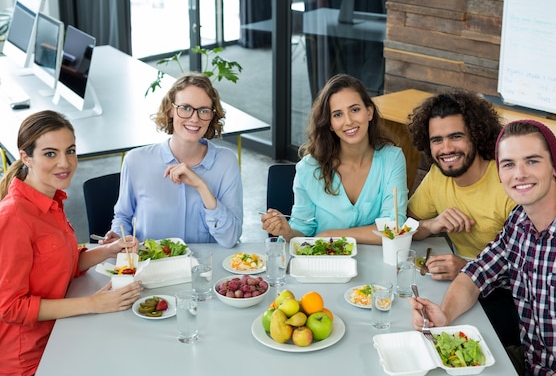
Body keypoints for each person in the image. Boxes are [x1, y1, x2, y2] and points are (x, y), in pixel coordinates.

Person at [410, 119, 556, 376]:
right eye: (508, 164)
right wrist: (444, 315)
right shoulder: (519, 222)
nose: (519, 174)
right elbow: (476, 273)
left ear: (554, 167)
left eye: (532, 161)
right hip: (533, 367)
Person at [0, 111, 143, 376]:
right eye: (50, 154)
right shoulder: (14, 216)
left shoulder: (51, 197)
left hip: (63, 333)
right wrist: (93, 303)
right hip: (31, 361)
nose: (65, 163)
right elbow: (10, 307)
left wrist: (109, 250)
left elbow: (59, 263)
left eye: (71, 151)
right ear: (26, 157)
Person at [406, 89, 519, 346]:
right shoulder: (437, 177)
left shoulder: (507, 183)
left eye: (456, 137)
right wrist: (432, 225)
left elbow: (528, 268)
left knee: (450, 342)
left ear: (477, 136)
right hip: (461, 284)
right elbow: (406, 228)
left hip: (507, 296)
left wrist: (467, 266)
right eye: (437, 140)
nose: (446, 149)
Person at [261, 74, 408, 244]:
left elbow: (394, 228)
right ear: (330, 124)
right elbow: (301, 233)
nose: (349, 121)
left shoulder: (393, 159)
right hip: (323, 265)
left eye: (355, 110)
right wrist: (286, 231)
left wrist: (331, 234)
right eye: (338, 114)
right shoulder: (308, 169)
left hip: (375, 264)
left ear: (369, 112)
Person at [103, 72, 243, 248]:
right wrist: (118, 236)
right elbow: (123, 217)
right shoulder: (136, 161)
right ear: (170, 110)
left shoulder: (226, 162)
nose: (194, 118)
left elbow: (230, 239)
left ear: (212, 116)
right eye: (185, 108)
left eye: (204, 111)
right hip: (150, 269)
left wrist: (201, 186)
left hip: (206, 271)